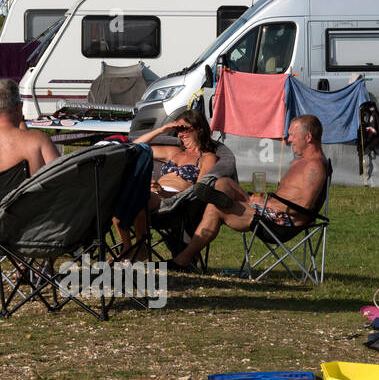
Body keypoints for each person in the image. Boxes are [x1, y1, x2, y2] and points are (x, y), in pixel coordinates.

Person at [170, 114, 327, 269]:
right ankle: (212, 194)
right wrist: (262, 200)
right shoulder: (300, 162)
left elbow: (304, 207)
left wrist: (267, 204)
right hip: (270, 210)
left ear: (308, 137)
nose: (289, 139)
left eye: (293, 135)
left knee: (214, 208)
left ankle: (183, 259)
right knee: (224, 183)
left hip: (281, 222)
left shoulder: (315, 166)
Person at [120, 110, 219, 258]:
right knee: (119, 199)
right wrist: (161, 130)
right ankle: (127, 248)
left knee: (137, 198)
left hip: (176, 200)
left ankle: (140, 250)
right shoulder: (174, 152)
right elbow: (135, 148)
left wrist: (164, 193)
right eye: (178, 130)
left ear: (199, 129)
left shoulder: (207, 158)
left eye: (184, 129)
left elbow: (200, 192)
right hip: (153, 194)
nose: (180, 134)